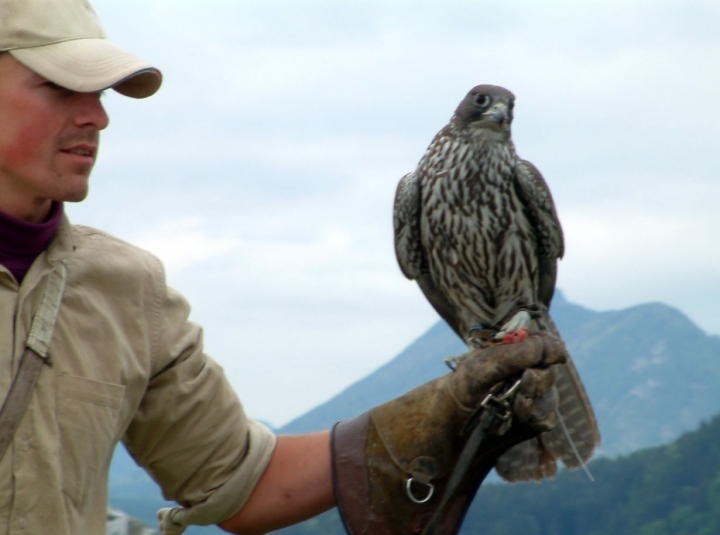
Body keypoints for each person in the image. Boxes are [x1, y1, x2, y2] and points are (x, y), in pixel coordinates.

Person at [0, 1, 566, 534]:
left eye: (100, 93)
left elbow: (242, 481)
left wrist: (444, 409)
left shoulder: (126, 289)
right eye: (60, 87)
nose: (97, 115)